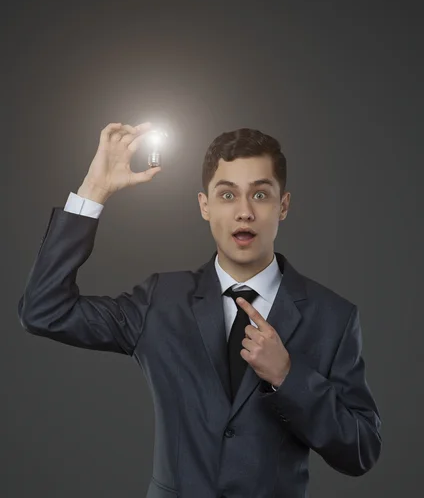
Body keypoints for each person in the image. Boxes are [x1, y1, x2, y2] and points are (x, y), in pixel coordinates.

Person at [18, 121, 382, 498]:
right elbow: (43, 310)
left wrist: (289, 377)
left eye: (260, 195)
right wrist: (94, 191)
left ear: (283, 205)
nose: (244, 212)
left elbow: (361, 451)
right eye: (227, 196)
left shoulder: (333, 317)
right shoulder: (161, 302)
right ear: (204, 206)